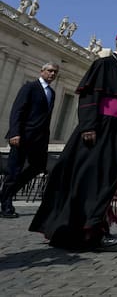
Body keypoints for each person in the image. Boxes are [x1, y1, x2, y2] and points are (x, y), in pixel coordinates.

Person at [29, 30, 117, 250]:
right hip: (99, 129)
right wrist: (88, 125)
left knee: (105, 178)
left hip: (113, 132)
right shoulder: (104, 64)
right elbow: (89, 96)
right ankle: (90, 232)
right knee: (94, 180)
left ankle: (93, 229)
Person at [1, 62, 59, 218]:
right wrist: (14, 133)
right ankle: (6, 203)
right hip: (22, 136)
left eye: (55, 72)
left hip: (39, 139)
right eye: (50, 71)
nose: (52, 74)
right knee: (14, 170)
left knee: (38, 166)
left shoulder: (52, 93)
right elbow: (17, 110)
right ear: (42, 71)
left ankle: (5, 194)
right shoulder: (30, 87)